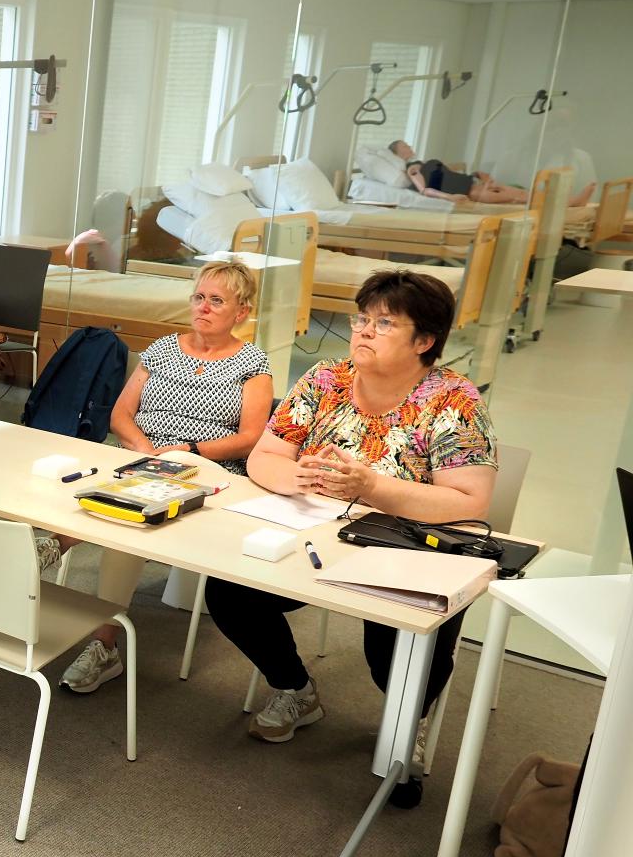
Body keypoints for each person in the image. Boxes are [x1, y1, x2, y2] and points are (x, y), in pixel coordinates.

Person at [205, 270, 498, 745]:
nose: (362, 331)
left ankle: (408, 722)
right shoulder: (327, 378)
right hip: (318, 532)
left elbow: (470, 501)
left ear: (424, 340)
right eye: (362, 319)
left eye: (384, 324)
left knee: (395, 646)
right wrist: (296, 475)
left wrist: (372, 487)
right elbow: (265, 456)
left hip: (411, 544)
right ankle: (295, 689)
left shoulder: (454, 399)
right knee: (229, 590)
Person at [57, 261, 274, 694]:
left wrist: (186, 452)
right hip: (141, 458)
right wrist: (143, 448)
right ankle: (44, 555)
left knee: (127, 522)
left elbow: (251, 438)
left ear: (241, 312)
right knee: (66, 492)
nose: (204, 307)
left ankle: (103, 644)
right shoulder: (161, 349)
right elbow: (121, 413)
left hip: (206, 468)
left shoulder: (252, 363)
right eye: (199, 297)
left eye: (217, 300)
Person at [389, 139, 594, 207]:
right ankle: (571, 203)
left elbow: (450, 173)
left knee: (522, 192)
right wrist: (450, 197)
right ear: (398, 155)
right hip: (473, 194)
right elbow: (425, 190)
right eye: (403, 146)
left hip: (474, 184)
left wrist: (478, 174)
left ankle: (569, 200)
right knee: (521, 198)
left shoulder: (425, 162)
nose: (408, 146)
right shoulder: (413, 169)